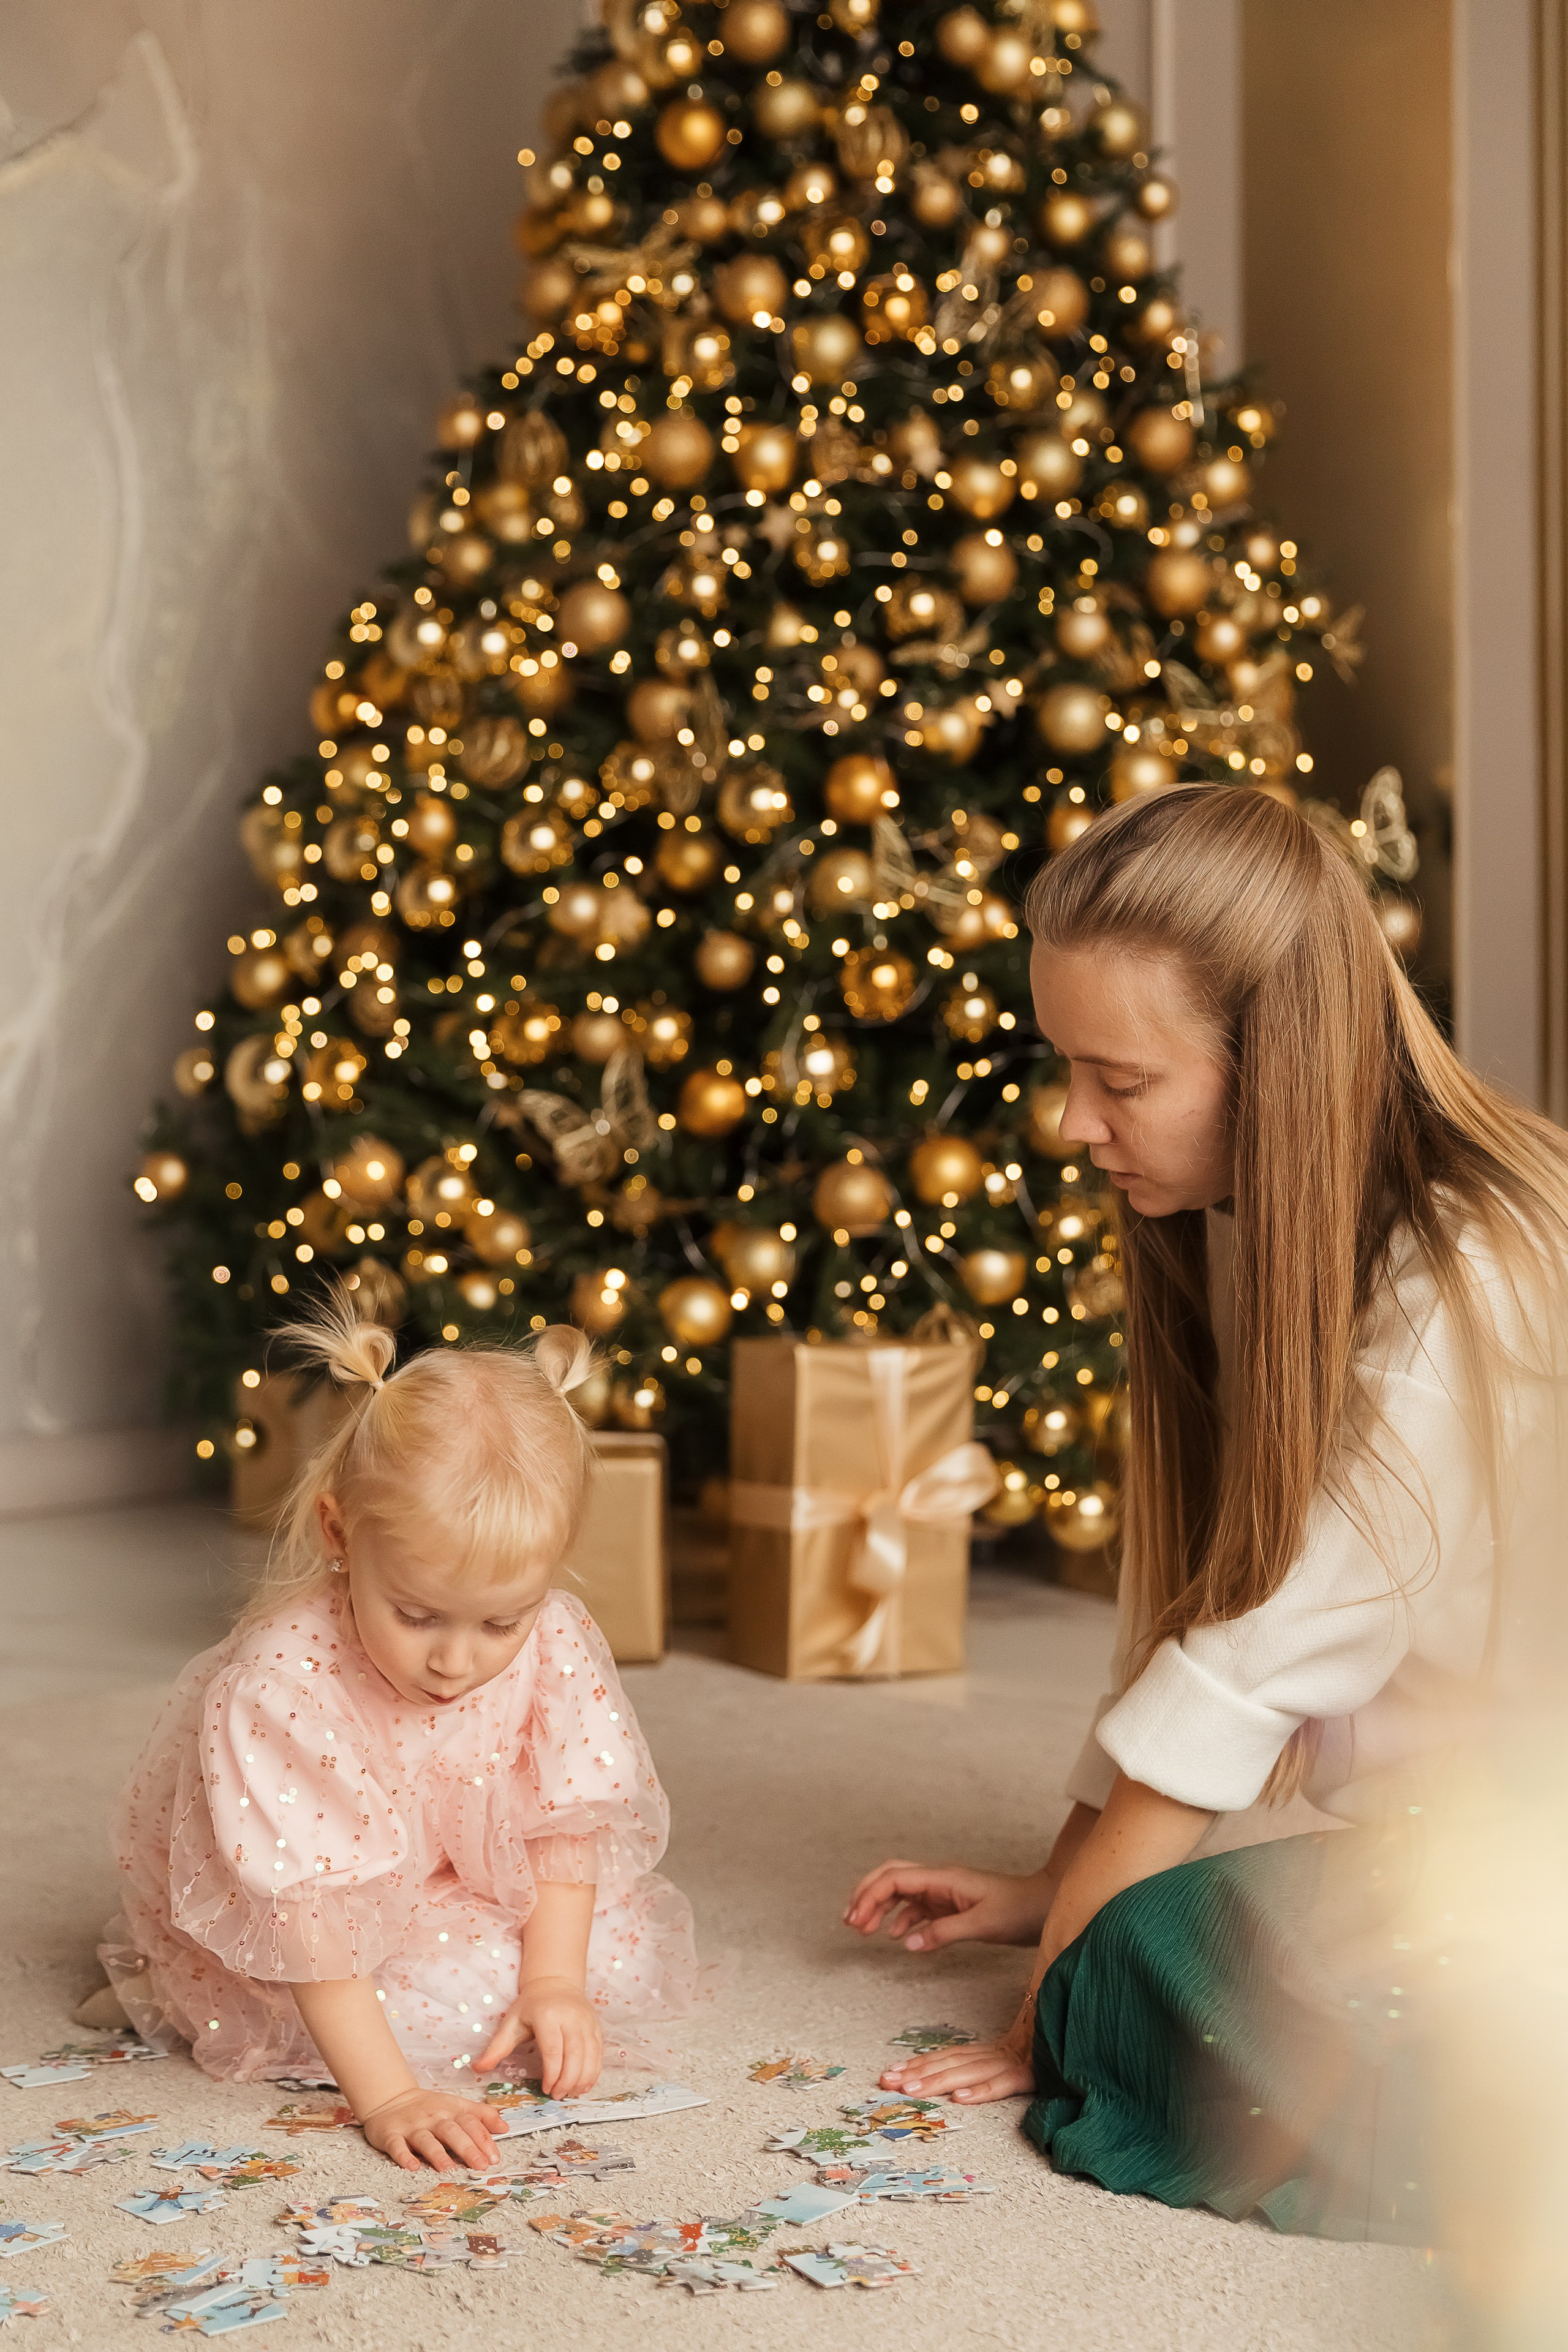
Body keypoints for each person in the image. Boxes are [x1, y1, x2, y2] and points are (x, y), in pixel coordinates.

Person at [844, 783, 1568, 2237]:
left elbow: (1254, 1663)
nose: (1071, 1123)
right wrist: (1053, 1880)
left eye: (1120, 1081)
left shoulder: (1458, 1295)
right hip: (1468, 1821)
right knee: (1154, 1949)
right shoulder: (1264, 1225)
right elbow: (1215, 1604)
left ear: (1278, 1065)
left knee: (1136, 1983)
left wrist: (1053, 2001)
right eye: (1066, 1071)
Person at [96, 1298, 703, 2172]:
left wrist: (554, 1981)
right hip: (308, 1909)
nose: (457, 1661)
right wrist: (387, 2096)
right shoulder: (283, 1685)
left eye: (501, 1622)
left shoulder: (554, 1636)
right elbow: (306, 1916)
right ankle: (168, 1985)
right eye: (417, 1615)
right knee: (420, 2008)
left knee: (599, 1951)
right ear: (340, 1533)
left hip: (451, 1873)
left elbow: (566, 1821)